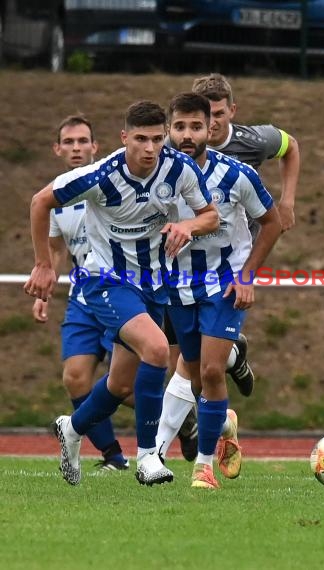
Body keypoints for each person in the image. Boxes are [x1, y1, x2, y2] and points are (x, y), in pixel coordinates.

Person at [24, 100, 219, 487]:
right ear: (124, 137)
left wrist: (188, 226)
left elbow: (210, 215)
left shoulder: (179, 169)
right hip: (105, 279)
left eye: (157, 140)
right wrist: (44, 264)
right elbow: (40, 201)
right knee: (159, 349)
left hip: (153, 284)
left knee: (120, 385)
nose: (150, 148)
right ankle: (148, 458)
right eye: (141, 139)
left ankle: (72, 428)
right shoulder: (100, 175)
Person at [156, 92, 282, 489]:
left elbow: (273, 222)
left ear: (210, 127)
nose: (188, 134)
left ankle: (203, 467)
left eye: (196, 126)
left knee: (211, 370)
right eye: (180, 127)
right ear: (169, 131)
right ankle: (222, 422)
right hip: (177, 286)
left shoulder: (237, 175)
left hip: (225, 286)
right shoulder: (154, 177)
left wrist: (246, 277)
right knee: (191, 374)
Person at [31, 115, 128, 471]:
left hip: (121, 290)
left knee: (127, 386)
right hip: (83, 296)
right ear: (58, 149)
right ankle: (114, 458)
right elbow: (57, 252)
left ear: (95, 147)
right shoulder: (54, 196)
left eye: (82, 141)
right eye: (68, 142)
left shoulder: (114, 183)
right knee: (75, 376)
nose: (76, 148)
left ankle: (186, 416)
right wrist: (44, 291)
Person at [192, 72, 300, 235]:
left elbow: (291, 146)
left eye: (219, 114)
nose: (211, 122)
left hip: (242, 251)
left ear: (232, 110)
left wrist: (287, 203)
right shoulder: (178, 144)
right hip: (191, 251)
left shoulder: (253, 142)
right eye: (205, 114)